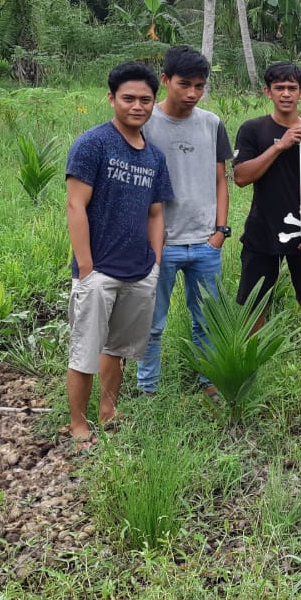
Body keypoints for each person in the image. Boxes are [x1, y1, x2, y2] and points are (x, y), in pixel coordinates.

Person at [64, 62, 174, 450]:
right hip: (99, 270)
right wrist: (87, 266)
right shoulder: (93, 144)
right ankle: (79, 424)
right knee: (85, 351)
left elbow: (156, 212)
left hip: (139, 269)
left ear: (154, 102)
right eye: (128, 98)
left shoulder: (154, 158)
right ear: (111, 98)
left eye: (145, 99)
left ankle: (108, 411)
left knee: (119, 348)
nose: (137, 106)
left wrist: (155, 262)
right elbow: (76, 206)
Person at [136, 46, 233, 398]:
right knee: (152, 321)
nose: (192, 93)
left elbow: (221, 178)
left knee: (207, 320)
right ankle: (148, 389)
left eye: (199, 86)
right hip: (160, 245)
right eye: (184, 84)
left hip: (205, 243)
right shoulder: (146, 122)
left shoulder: (211, 124)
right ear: (165, 81)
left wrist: (220, 231)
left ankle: (208, 381)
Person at [233, 62, 301, 372]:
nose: (286, 94)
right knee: (254, 301)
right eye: (279, 88)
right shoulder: (252, 130)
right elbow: (242, 177)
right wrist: (280, 146)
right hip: (262, 228)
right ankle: (253, 364)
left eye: (292, 88)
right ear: (268, 92)